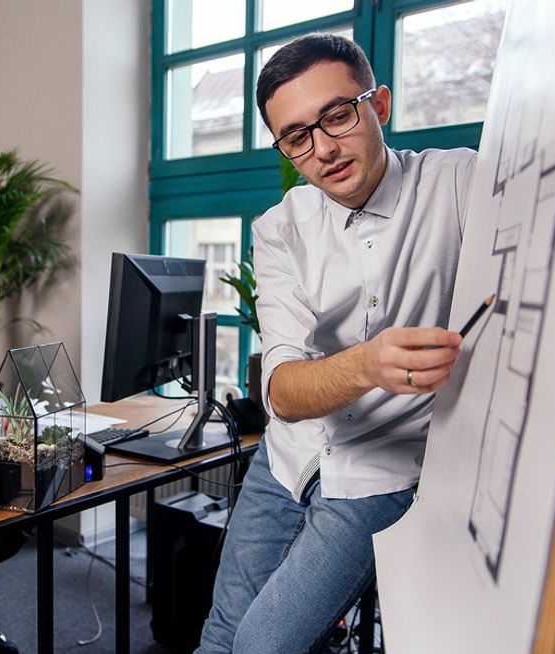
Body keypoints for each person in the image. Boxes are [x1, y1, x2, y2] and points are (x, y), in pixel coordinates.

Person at [196, 34, 477, 653]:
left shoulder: (460, 185)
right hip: (290, 455)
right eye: (297, 136)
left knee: (259, 647)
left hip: (383, 465)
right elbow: (282, 393)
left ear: (379, 105)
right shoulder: (281, 230)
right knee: (219, 636)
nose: (323, 148)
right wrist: (369, 363)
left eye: (337, 115)